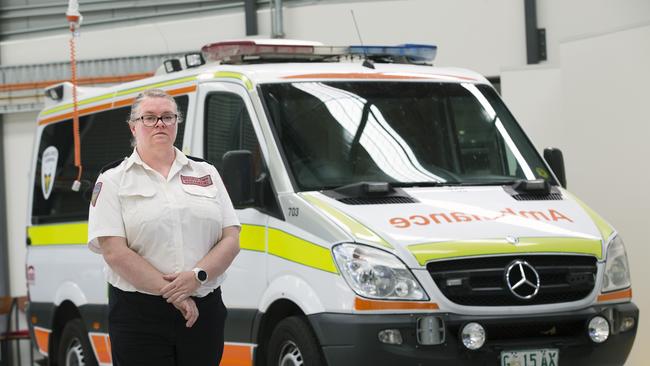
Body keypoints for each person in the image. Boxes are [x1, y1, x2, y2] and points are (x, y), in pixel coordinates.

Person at [87, 88, 241, 366]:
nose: (160, 124)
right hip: (139, 314)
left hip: (203, 308)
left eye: (167, 117)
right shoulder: (112, 180)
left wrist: (197, 276)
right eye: (149, 118)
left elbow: (231, 237)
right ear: (133, 127)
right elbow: (114, 252)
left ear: (176, 124)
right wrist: (174, 293)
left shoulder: (206, 173)